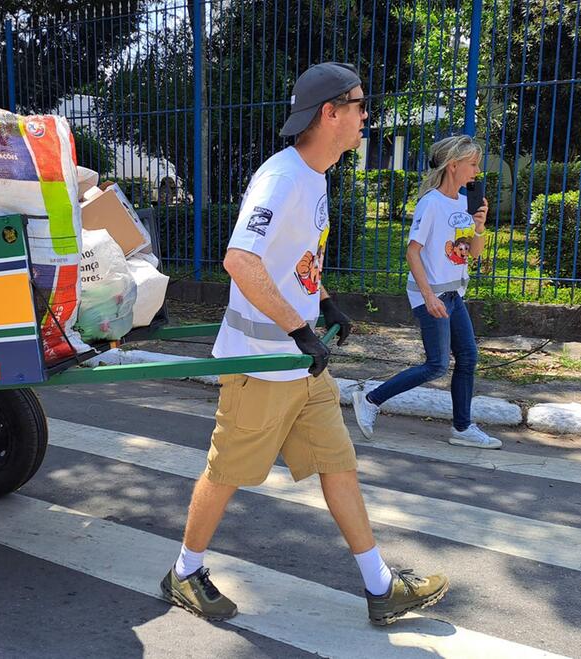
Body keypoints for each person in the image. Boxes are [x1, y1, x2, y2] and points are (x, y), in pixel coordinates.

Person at [160, 63, 448, 626]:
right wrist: (298, 328)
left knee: (338, 464)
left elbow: (295, 262)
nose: (369, 116)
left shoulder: (315, 177)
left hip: (300, 366)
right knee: (226, 472)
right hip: (261, 364)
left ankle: (381, 587)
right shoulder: (283, 178)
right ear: (330, 113)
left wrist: (323, 303)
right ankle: (184, 571)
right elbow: (239, 260)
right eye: (361, 106)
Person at [351, 135, 501, 449]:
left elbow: (472, 254)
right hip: (430, 295)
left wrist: (480, 227)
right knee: (436, 364)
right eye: (472, 164)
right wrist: (429, 296)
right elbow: (412, 252)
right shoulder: (430, 202)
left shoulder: (464, 202)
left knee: (468, 356)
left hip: (453, 294)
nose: (477, 170)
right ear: (454, 165)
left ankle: (462, 428)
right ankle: (370, 399)